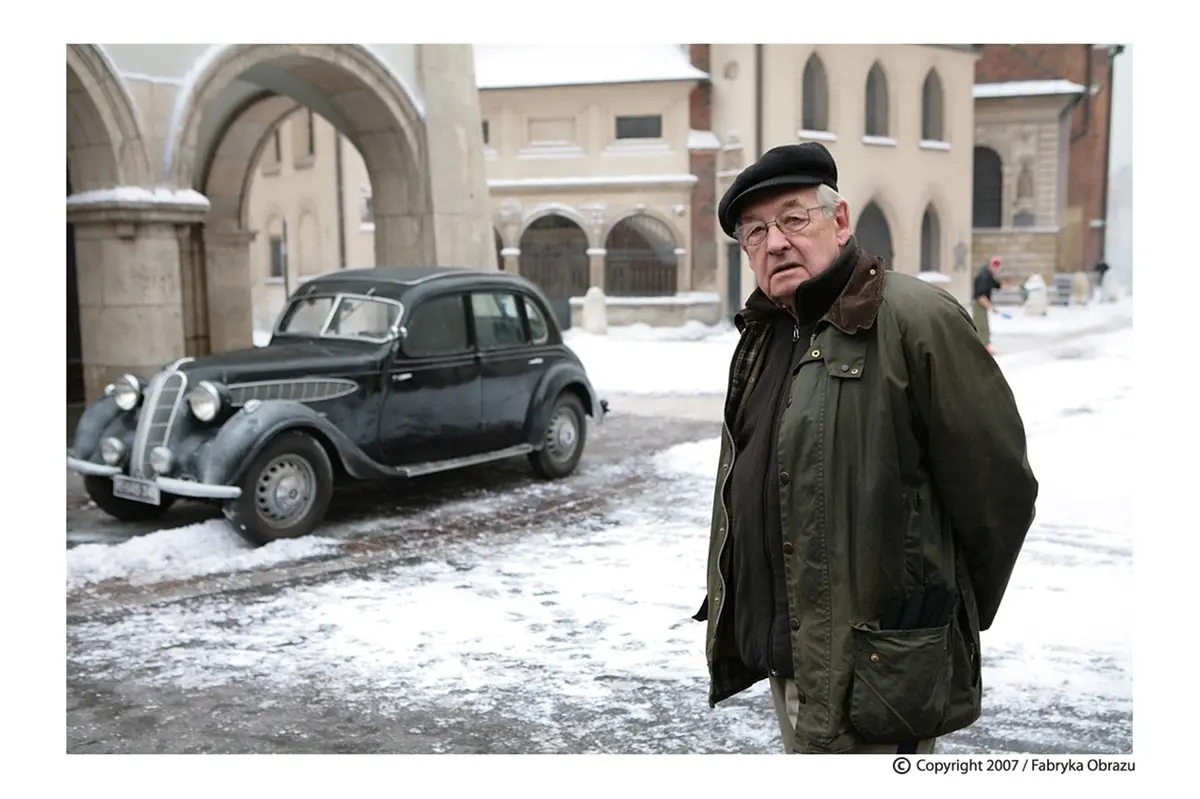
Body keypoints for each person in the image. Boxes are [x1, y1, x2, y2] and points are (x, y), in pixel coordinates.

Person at [693, 142, 1039, 755]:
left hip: (882, 663)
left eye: (794, 219)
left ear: (841, 221)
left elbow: (998, 491)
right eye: (754, 233)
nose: (775, 243)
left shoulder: (916, 319)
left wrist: (937, 617)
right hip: (790, 654)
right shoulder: (767, 335)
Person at [971, 258, 1006, 353]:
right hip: (979, 303)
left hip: (983, 303)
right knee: (981, 325)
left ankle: (985, 346)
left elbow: (998, 285)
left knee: (984, 325)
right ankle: (982, 348)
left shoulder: (989, 275)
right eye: (999, 269)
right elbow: (980, 295)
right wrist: (991, 307)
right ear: (994, 267)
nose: (999, 271)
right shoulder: (984, 276)